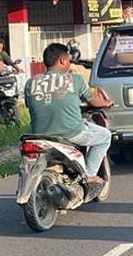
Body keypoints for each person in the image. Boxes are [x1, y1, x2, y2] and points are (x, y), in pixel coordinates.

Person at [24, 43, 114, 183]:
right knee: (105, 136)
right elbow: (94, 101)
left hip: (39, 134)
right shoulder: (75, 79)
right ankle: (89, 175)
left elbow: (30, 106)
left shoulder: (31, 82)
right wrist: (107, 102)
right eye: (68, 61)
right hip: (71, 132)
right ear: (62, 61)